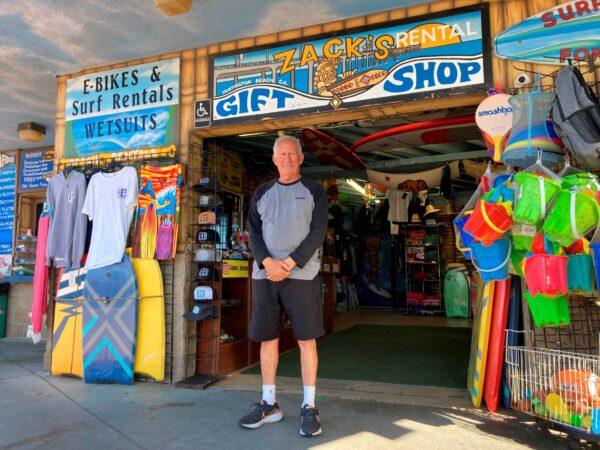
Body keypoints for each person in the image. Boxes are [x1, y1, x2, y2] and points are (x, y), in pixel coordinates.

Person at [240, 135, 328, 437]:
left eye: (292, 154)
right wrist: (267, 263)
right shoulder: (262, 191)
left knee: (306, 340)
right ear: (274, 159)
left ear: (301, 158)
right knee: (268, 338)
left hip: (301, 276)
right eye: (282, 154)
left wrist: (289, 264)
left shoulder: (315, 190)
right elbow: (253, 232)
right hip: (266, 276)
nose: (287, 159)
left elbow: (318, 231)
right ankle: (269, 403)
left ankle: (309, 406)